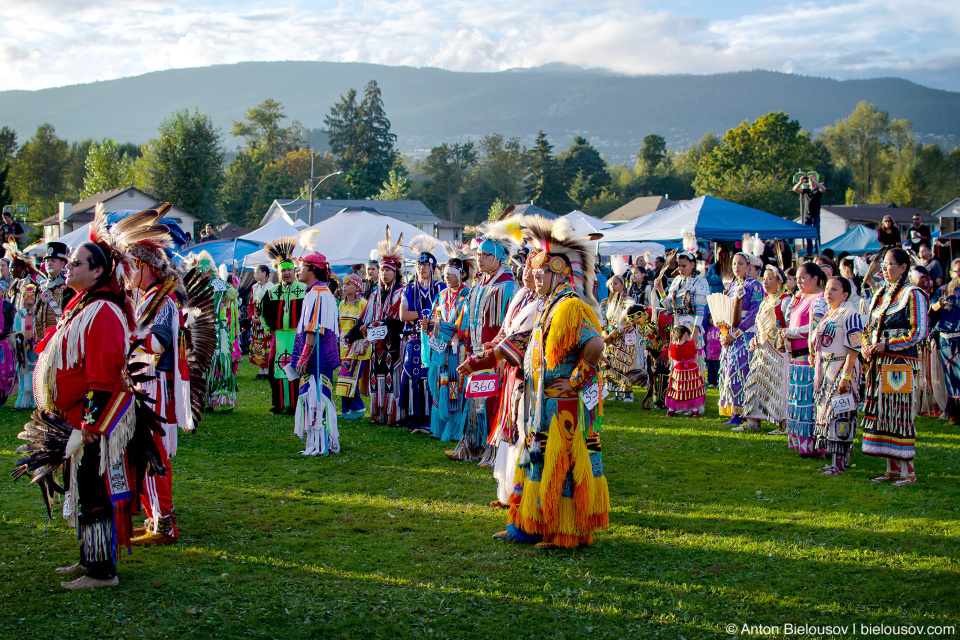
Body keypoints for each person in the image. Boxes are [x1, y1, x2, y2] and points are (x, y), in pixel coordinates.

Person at [491, 216, 609, 549]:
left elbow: (596, 346)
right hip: (541, 404)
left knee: (562, 465)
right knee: (536, 460)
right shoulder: (548, 306)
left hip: (563, 407)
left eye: (540, 272)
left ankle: (565, 531)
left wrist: (574, 383)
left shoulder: (571, 306)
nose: (533, 276)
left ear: (558, 272)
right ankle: (529, 524)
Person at [126, 222, 193, 545]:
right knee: (148, 452)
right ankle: (154, 518)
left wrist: (126, 336)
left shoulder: (160, 302)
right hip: (148, 382)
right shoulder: (152, 298)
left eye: (131, 267)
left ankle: (164, 525)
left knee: (155, 453)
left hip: (156, 384)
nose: (127, 275)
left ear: (145, 267)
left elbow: (159, 342)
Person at [861, 248, 929, 485]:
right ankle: (891, 468)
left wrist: (887, 344)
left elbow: (918, 331)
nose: (884, 268)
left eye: (889, 264)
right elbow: (868, 329)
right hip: (878, 364)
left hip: (900, 364)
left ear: (902, 268)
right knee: (883, 414)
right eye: (883, 264)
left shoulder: (913, 294)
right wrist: (867, 346)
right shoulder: (880, 293)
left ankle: (907, 471)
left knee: (899, 413)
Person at [447, 233, 516, 464]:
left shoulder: (508, 286)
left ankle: (494, 449)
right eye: (479, 255)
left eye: (486, 255)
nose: (481, 259)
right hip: (476, 352)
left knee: (493, 400)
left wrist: (500, 352)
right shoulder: (480, 283)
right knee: (475, 399)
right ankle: (472, 445)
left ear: (498, 258)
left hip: (497, 355)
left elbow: (510, 324)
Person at [348, 229, 406, 426]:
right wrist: (350, 335)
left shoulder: (402, 294)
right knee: (377, 378)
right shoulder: (374, 296)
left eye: (388, 270)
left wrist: (374, 325)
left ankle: (394, 415)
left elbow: (399, 321)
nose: (384, 273)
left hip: (396, 345)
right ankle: (378, 414)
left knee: (392, 380)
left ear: (396, 272)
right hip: (377, 346)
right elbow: (363, 319)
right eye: (382, 270)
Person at [811, 277, 864, 475]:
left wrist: (847, 376)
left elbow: (855, 346)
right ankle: (835, 461)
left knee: (841, 415)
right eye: (827, 289)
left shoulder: (851, 314)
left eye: (834, 289)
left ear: (845, 294)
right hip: (826, 370)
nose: (828, 292)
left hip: (842, 369)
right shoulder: (829, 315)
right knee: (829, 416)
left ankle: (840, 463)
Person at [425, 243, 477, 442]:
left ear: (463, 274)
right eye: (445, 272)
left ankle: (455, 429)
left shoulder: (468, 296)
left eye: (451, 272)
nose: (447, 276)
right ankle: (439, 427)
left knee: (454, 387)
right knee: (439, 383)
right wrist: (428, 325)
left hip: (458, 350)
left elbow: (464, 326)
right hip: (441, 349)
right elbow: (434, 317)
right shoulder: (441, 294)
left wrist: (440, 326)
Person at [291, 252, 341, 456]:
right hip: (324, 355)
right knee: (321, 395)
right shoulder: (325, 293)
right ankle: (324, 440)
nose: (298, 271)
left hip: (315, 356)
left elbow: (313, 329)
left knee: (314, 397)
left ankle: (318, 442)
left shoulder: (316, 294)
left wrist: (303, 356)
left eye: (301, 267)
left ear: (312, 269)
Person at [399, 235, 446, 434]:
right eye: (419, 264)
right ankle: (415, 417)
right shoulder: (409, 289)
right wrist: (424, 314)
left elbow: (444, 313)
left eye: (426, 265)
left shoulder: (441, 288)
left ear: (433, 268)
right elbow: (403, 315)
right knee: (413, 376)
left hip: (435, 339)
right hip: (415, 339)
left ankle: (430, 417)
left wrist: (430, 319)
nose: (422, 268)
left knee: (432, 376)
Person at [783, 262, 829, 455]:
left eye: (803, 278)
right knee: (799, 401)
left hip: (809, 358)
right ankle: (802, 444)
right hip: (796, 357)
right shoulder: (801, 298)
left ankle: (815, 446)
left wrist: (791, 333)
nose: (799, 281)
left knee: (809, 402)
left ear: (816, 279)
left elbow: (816, 329)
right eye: (798, 278)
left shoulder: (820, 299)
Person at [740, 265, 792, 434]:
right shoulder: (764, 302)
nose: (766, 282)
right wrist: (755, 339)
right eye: (764, 279)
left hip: (779, 351)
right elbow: (758, 326)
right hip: (761, 350)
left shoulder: (786, 300)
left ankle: (782, 424)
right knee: (755, 384)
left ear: (780, 281)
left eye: (770, 279)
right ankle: (753, 421)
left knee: (778, 387)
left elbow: (790, 325)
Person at [262, 238, 306, 415]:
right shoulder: (271, 292)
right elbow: (263, 313)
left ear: (295, 271)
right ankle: (280, 404)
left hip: (298, 336)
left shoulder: (303, 289)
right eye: (283, 270)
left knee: (296, 368)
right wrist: (269, 330)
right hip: (279, 336)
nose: (286, 273)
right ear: (278, 273)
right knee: (279, 370)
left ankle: (296, 404)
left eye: (289, 269)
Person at [718, 253, 763, 426]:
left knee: (741, 373)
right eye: (734, 264)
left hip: (746, 336)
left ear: (749, 266)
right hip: (729, 335)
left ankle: (745, 412)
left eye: (741, 263)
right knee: (730, 372)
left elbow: (754, 314)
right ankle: (735, 411)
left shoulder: (755, 286)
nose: (737, 267)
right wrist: (724, 332)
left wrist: (735, 333)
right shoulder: (731, 286)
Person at [661, 239, 709, 378]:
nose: (681, 269)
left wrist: (695, 331)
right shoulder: (676, 281)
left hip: (691, 324)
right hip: (677, 325)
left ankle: (695, 395)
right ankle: (680, 394)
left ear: (693, 264)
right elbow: (669, 308)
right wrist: (661, 291)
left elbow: (700, 308)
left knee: (693, 361)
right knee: (677, 361)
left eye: (684, 266)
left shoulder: (700, 280)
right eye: (679, 266)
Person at [600, 276, 641, 402]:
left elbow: (627, 322)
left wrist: (613, 335)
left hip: (624, 339)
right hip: (610, 340)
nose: (613, 286)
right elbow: (603, 320)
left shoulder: (628, 302)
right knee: (612, 364)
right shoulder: (606, 302)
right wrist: (605, 334)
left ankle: (628, 394)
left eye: (616, 284)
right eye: (611, 284)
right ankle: (617, 393)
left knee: (625, 365)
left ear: (623, 285)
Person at [335, 274, 370, 420]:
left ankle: (359, 408)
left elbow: (367, 325)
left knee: (351, 378)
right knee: (343, 377)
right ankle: (347, 410)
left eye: (348, 284)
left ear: (357, 287)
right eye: (344, 284)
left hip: (358, 348)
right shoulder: (342, 304)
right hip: (344, 346)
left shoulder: (364, 304)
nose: (344, 287)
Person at [931, 258, 960, 424]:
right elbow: (932, 309)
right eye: (957, 271)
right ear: (950, 273)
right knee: (950, 375)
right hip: (946, 338)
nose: (959, 274)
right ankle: (954, 413)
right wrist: (941, 302)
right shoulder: (942, 290)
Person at [665, 326, 705, 417]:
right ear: (686, 334)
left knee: (676, 390)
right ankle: (695, 410)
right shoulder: (690, 344)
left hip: (678, 372)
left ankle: (671, 410)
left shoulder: (673, 346)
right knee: (693, 389)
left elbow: (672, 357)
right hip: (691, 372)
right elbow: (694, 353)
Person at [248, 264, 275, 379]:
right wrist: (251, 317)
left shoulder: (272, 287)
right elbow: (250, 304)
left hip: (266, 322)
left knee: (266, 344)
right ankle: (261, 370)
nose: (255, 275)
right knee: (257, 345)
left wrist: (262, 318)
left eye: (257, 272)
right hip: (256, 322)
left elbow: (274, 306)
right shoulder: (254, 287)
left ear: (264, 273)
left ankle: (268, 370)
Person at [793, 174, 825, 255]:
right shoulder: (807, 191)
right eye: (810, 179)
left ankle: (817, 251)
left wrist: (815, 182)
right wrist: (800, 182)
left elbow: (823, 189)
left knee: (816, 232)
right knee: (807, 233)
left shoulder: (818, 191)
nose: (811, 181)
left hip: (815, 215)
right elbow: (795, 189)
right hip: (807, 215)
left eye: (813, 179)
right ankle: (809, 251)